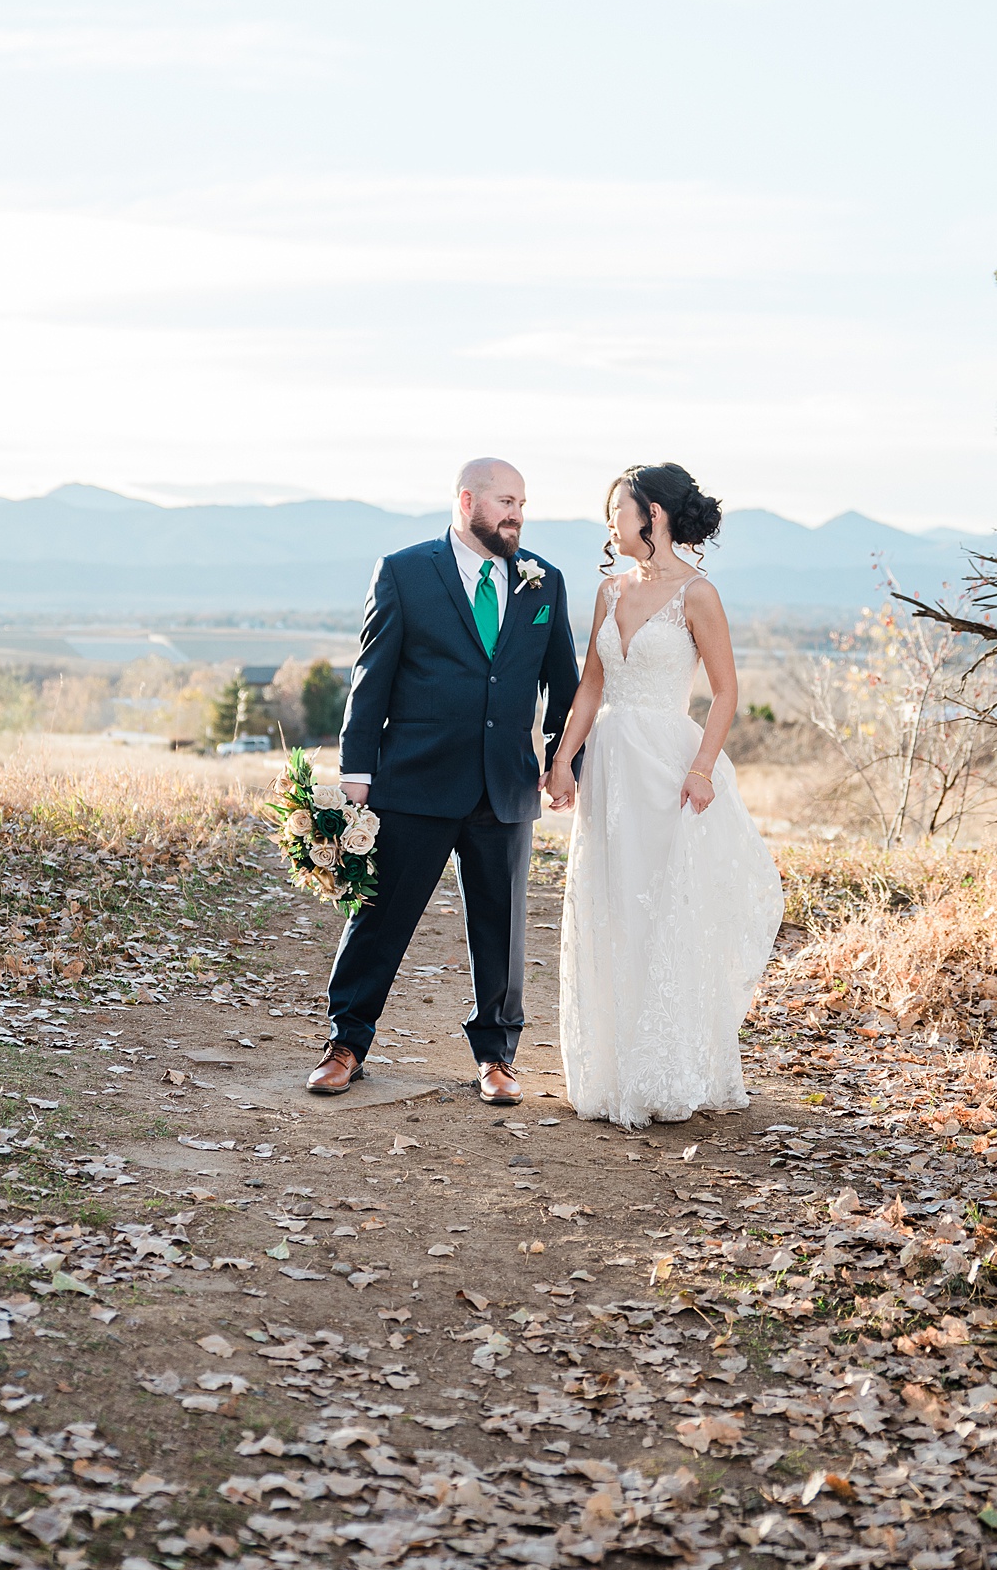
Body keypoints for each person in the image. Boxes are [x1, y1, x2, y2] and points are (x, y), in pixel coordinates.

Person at [307, 457, 580, 1104]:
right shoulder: (404, 572)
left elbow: (563, 685)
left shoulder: (545, 582)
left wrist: (565, 757)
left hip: (505, 786)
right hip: (415, 781)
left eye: (522, 502)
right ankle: (347, 1043)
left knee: (503, 928)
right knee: (379, 917)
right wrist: (356, 774)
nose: (516, 513)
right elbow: (370, 679)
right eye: (505, 500)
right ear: (467, 500)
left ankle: (496, 1056)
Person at [545, 462, 783, 1128]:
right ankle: (613, 1065)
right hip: (611, 767)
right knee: (611, 903)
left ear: (653, 515)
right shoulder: (608, 591)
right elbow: (591, 685)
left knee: (664, 907)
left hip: (667, 766)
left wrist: (703, 766)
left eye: (617, 509)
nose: (609, 522)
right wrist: (565, 757)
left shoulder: (698, 594)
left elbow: (726, 689)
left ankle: (671, 1065)